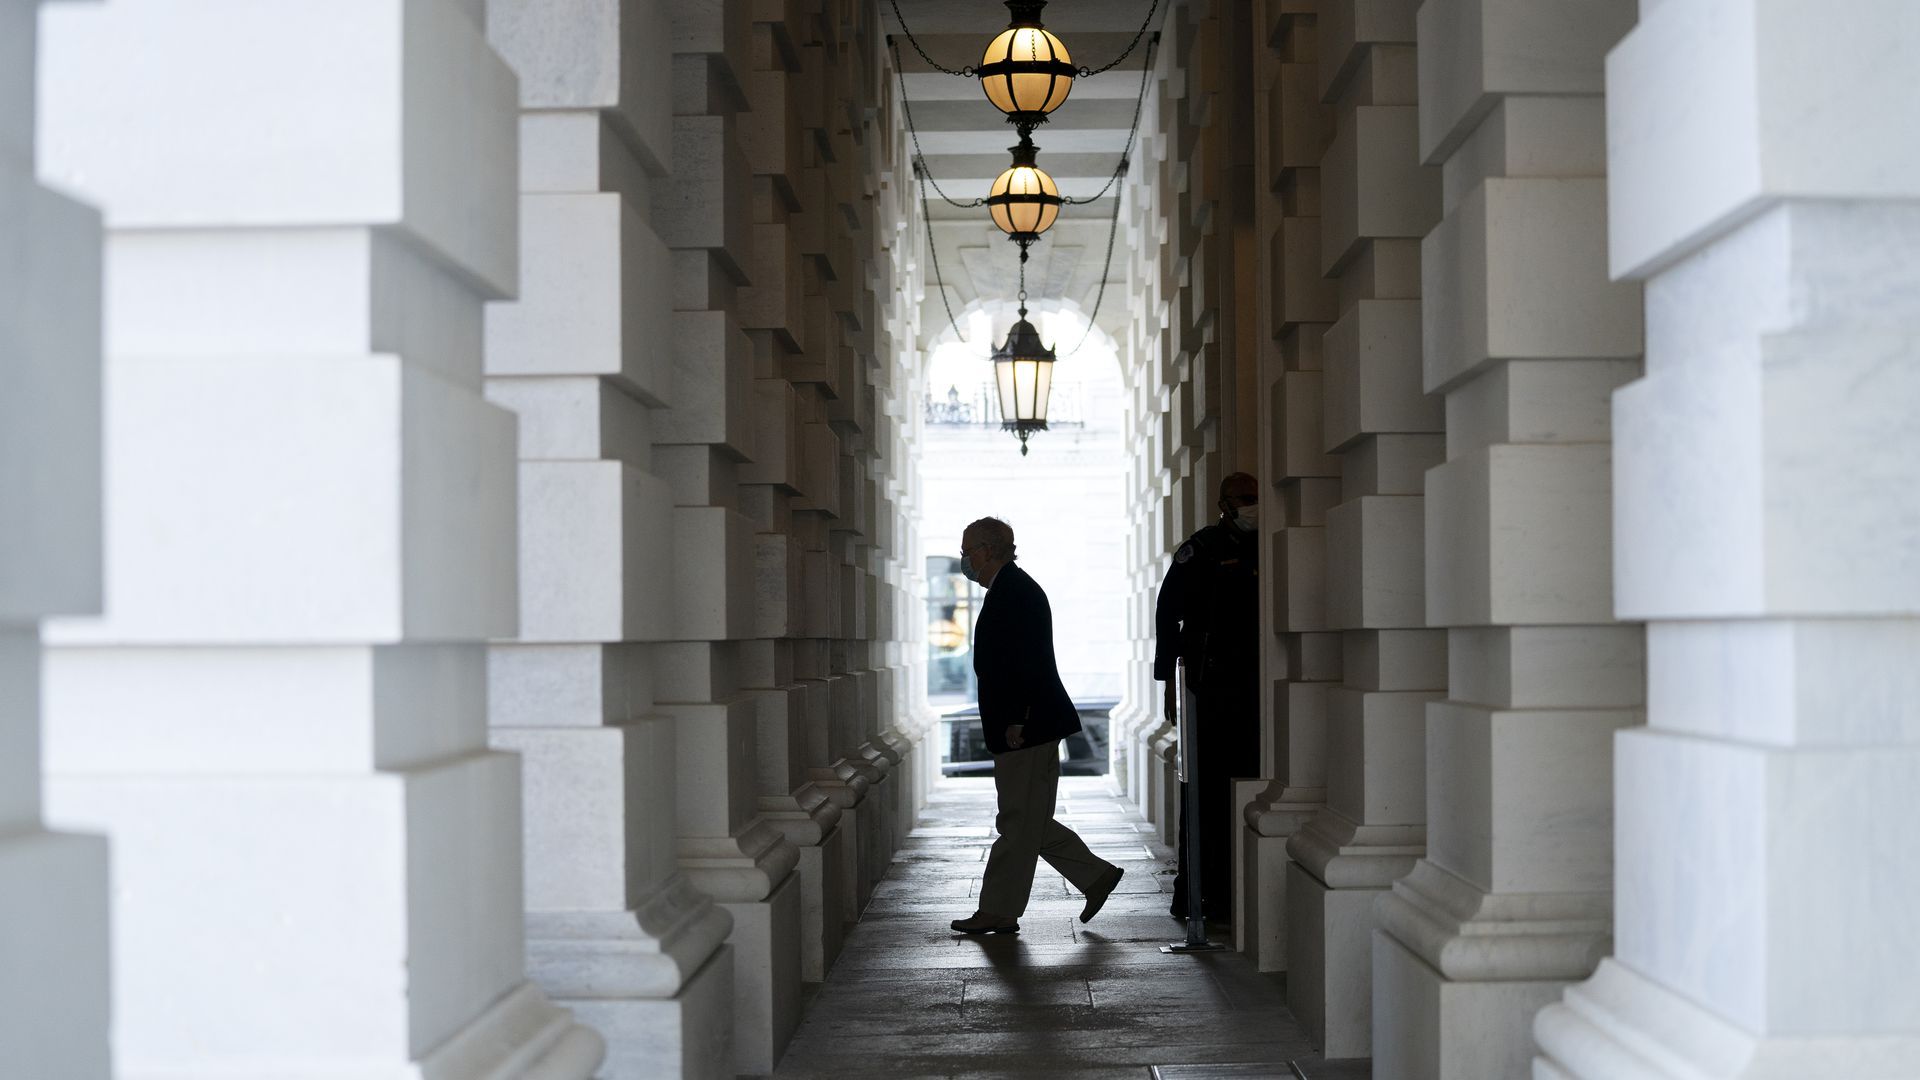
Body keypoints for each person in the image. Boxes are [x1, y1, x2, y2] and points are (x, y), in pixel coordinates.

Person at [950, 516, 1126, 935]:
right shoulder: (1011, 589)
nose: (965, 560)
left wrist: (1016, 719)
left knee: (1016, 819)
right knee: (1030, 820)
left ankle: (998, 909)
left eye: (967, 551)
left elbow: (1024, 664)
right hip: (1033, 723)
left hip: (1025, 727)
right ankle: (1096, 876)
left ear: (989, 549)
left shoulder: (1014, 592)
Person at [1154, 472, 1261, 921]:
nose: (1252, 505)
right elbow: (1167, 615)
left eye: (1255, 497)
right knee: (1203, 795)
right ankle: (1196, 890)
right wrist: (1168, 685)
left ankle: (1236, 890)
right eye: (1243, 499)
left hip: (1254, 691)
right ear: (1224, 504)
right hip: (1209, 689)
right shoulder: (1200, 550)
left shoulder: (1271, 541)